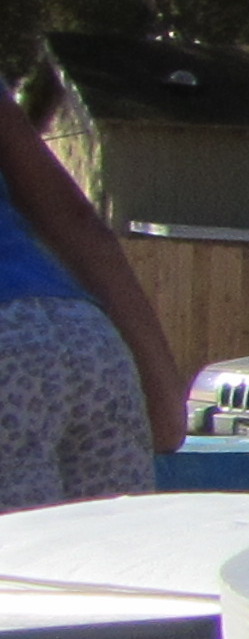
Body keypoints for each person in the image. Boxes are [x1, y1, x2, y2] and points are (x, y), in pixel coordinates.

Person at [0, 92, 187, 512]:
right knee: (113, 548)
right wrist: (164, 399)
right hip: (85, 339)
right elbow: (72, 217)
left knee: (19, 556)